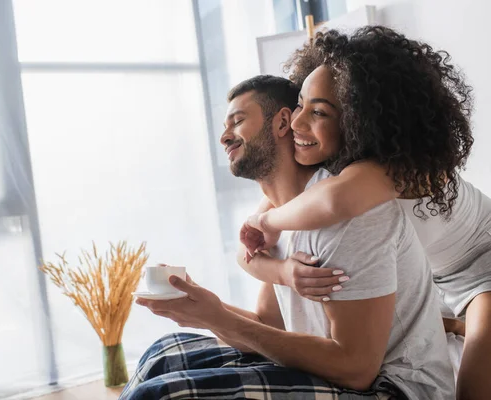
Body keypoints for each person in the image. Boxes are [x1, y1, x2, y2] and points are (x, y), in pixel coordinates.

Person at [119, 75, 454, 400]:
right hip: (335, 373)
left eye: (237, 120)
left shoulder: (348, 217)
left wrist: (216, 317)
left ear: (281, 123)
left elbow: (356, 369)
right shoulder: (276, 220)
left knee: (164, 393)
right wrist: (202, 310)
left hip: (392, 388)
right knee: (163, 353)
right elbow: (268, 326)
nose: (224, 137)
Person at [239, 27, 489, 400]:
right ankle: (453, 324)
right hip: (432, 278)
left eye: (319, 111)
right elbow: (247, 251)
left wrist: (266, 222)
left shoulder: (394, 168)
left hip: (481, 269)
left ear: (361, 118)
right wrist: (284, 271)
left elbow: (331, 205)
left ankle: (457, 325)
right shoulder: (329, 168)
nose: (296, 122)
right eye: (301, 104)